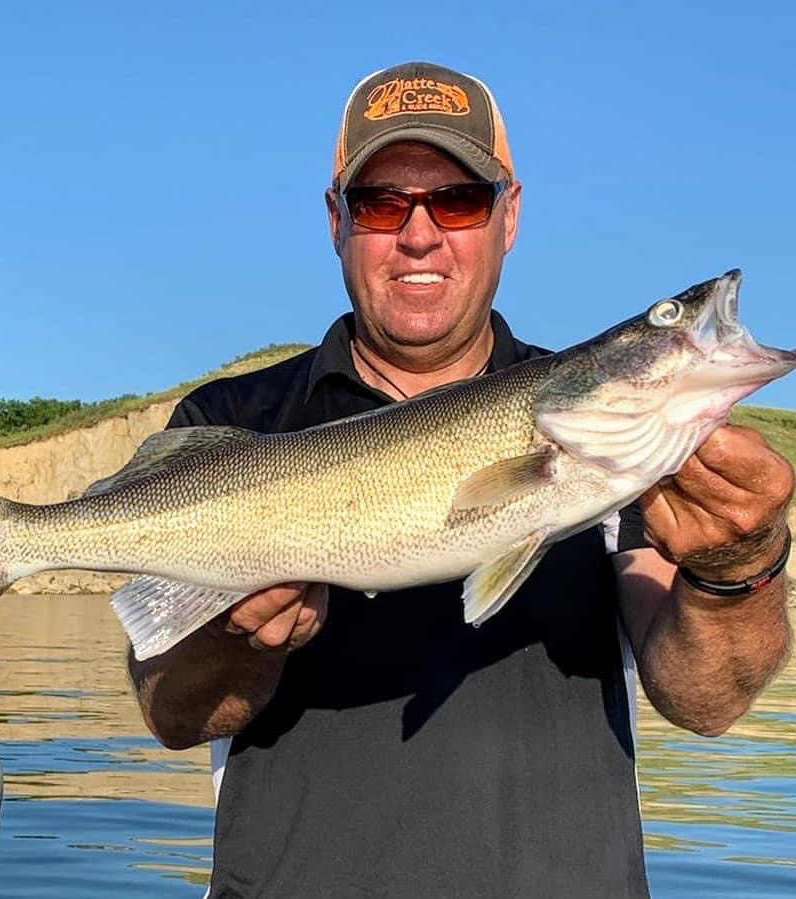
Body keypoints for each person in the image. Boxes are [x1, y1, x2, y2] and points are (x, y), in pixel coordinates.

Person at [128, 62, 794, 898]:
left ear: (508, 216)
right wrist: (232, 639)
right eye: (380, 203)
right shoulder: (234, 419)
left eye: (458, 200)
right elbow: (172, 714)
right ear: (335, 220)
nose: (419, 234)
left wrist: (739, 567)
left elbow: (707, 703)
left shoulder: (616, 457)